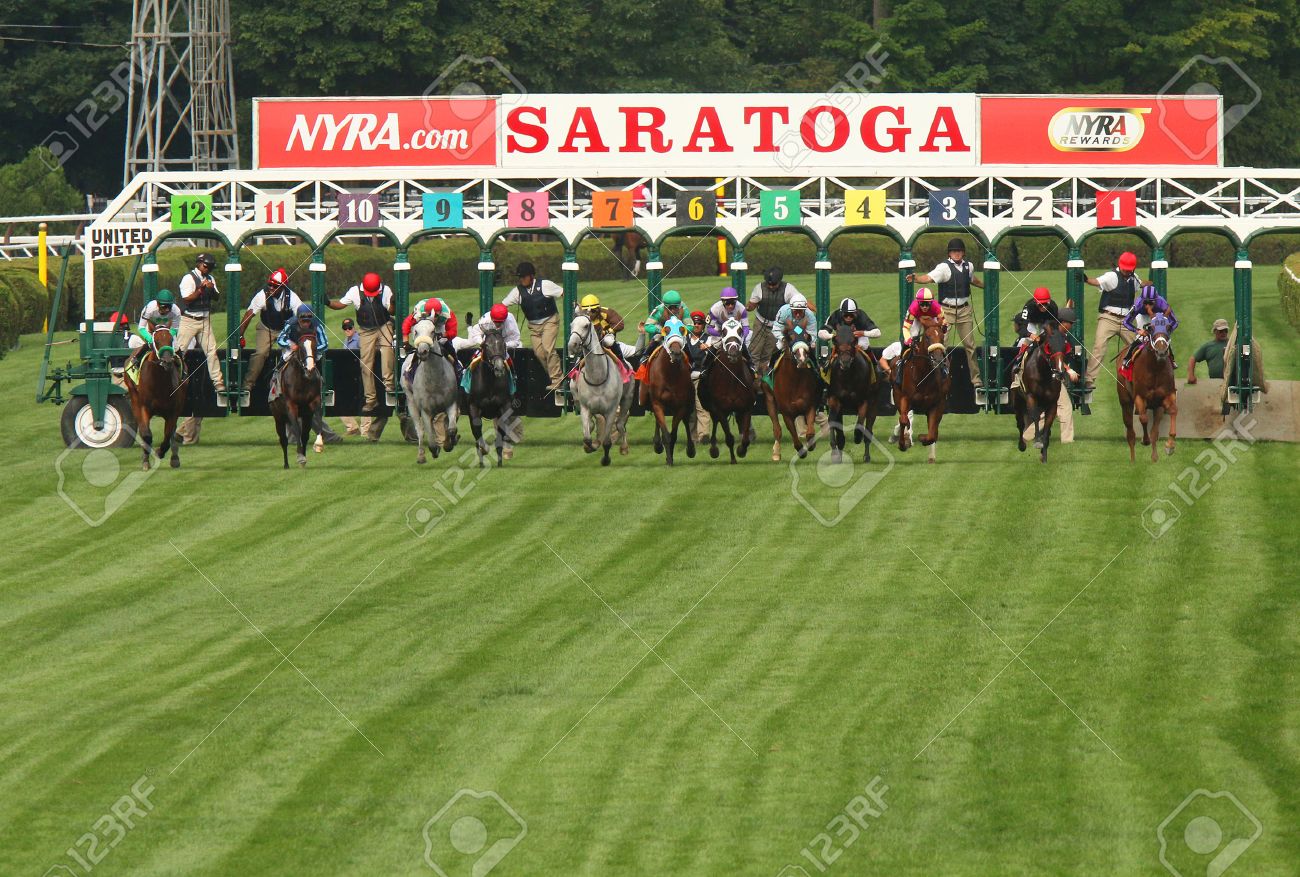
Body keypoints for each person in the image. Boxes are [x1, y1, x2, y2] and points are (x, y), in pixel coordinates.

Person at [907, 237, 984, 388]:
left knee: (970, 346)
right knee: (942, 345)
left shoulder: (969, 266)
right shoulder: (943, 268)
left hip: (964, 310)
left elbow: (972, 279)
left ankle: (976, 380)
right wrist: (916, 278)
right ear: (949, 253)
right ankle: (940, 376)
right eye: (954, 251)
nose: (957, 253)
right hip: (946, 311)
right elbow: (929, 278)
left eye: (959, 251)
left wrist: (986, 285)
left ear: (963, 253)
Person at [326, 271, 394, 438]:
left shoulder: (386, 290)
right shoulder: (355, 291)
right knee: (366, 364)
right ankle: (371, 400)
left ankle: (390, 388)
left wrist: (393, 302)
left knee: (387, 355)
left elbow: (391, 311)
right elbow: (339, 305)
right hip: (366, 330)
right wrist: (327, 302)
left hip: (384, 326)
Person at [237, 268, 301, 405]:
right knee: (260, 353)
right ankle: (247, 386)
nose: (270, 288)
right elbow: (249, 314)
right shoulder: (262, 295)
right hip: (266, 328)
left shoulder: (293, 298)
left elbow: (301, 316)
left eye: (274, 286)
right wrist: (240, 335)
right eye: (269, 285)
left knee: (294, 354)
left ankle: (295, 385)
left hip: (285, 330)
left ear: (282, 287)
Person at [501, 261, 564, 396]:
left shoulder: (545, 285)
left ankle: (557, 380)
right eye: (520, 277)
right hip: (534, 327)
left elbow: (563, 292)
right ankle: (557, 377)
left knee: (548, 348)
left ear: (531, 276)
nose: (521, 279)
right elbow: (503, 305)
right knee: (539, 353)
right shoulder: (517, 292)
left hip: (550, 321)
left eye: (524, 276)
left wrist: (576, 307)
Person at [1082, 251, 1143, 388]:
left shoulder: (1135, 278)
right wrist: (1086, 279)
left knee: (1138, 346)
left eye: (1129, 270)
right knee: (1099, 346)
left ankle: (1139, 376)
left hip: (1126, 321)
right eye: (1125, 269)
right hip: (1108, 318)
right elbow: (1096, 281)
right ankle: (1089, 379)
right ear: (1120, 266)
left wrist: (1151, 283)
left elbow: (1142, 284)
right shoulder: (1111, 276)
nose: (1127, 272)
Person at [175, 252, 228, 405]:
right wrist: (200, 289)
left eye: (210, 267)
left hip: (204, 319)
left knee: (212, 351)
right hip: (189, 319)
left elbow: (217, 297)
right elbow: (187, 299)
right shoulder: (188, 278)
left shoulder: (211, 278)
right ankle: (175, 380)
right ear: (199, 264)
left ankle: (218, 384)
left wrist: (210, 289)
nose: (208, 269)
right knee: (180, 351)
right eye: (206, 266)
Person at [880, 289, 945, 383]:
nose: (925, 307)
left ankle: (944, 369)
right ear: (918, 303)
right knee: (913, 336)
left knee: (938, 339)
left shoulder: (938, 308)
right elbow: (905, 327)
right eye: (922, 304)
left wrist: (943, 329)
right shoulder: (913, 308)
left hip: (932, 318)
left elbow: (944, 324)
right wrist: (909, 340)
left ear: (932, 303)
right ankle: (901, 366)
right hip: (917, 318)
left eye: (927, 304)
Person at [748, 267, 803, 370]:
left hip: (777, 325)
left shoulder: (789, 289)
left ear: (779, 281)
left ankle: (765, 375)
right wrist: (748, 307)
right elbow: (751, 305)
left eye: (774, 284)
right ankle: (752, 373)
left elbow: (799, 301)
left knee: (770, 351)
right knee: (754, 349)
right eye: (769, 284)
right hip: (760, 322)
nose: (771, 286)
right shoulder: (758, 288)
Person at [1009, 287, 1063, 388]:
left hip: (1046, 323)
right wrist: (1031, 335)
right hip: (1031, 322)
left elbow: (1055, 326)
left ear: (1049, 301)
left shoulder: (1053, 307)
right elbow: (1022, 329)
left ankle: (1057, 366)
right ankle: (1018, 362)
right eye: (1040, 304)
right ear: (1035, 302)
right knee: (1027, 339)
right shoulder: (1028, 306)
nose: (1043, 307)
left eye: (1045, 304)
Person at [1120, 284, 1179, 371]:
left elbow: (1174, 322)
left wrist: (1166, 332)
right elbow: (1126, 321)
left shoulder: (1162, 303)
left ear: (1156, 300)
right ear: (1142, 300)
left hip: (1159, 316)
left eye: (1151, 302)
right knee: (1141, 339)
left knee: (1162, 338)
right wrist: (1138, 331)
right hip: (1142, 316)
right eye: (1145, 302)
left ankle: (1172, 359)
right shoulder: (1138, 304)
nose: (1148, 305)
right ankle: (1127, 359)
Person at [126, 289, 182, 371]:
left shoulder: (176, 311)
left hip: (167, 331)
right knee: (150, 345)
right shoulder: (149, 308)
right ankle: (136, 360)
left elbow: (175, 328)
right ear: (158, 304)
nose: (167, 310)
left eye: (169, 307)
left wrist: (166, 338)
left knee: (176, 347)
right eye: (164, 307)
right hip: (150, 330)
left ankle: (181, 369)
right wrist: (151, 340)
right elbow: (141, 328)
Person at [818, 297, 882, 362]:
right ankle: (827, 366)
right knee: (836, 350)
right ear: (841, 313)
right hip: (841, 340)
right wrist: (832, 336)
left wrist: (863, 333)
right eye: (846, 315)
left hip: (859, 338)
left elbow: (878, 333)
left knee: (864, 345)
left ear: (856, 313)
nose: (848, 318)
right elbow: (821, 333)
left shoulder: (861, 315)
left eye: (851, 315)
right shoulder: (835, 316)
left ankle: (874, 364)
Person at [576, 294, 633, 363]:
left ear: (598, 309)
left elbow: (620, 324)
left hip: (605, 338)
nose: (590, 314)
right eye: (586, 311)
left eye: (593, 311)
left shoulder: (607, 312)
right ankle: (574, 370)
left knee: (608, 341)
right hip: (589, 341)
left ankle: (621, 361)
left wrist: (606, 332)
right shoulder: (581, 316)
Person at [769, 294, 818, 373]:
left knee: (811, 348)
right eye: (795, 312)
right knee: (779, 346)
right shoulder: (783, 311)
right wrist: (784, 338)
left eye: (800, 312)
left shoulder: (810, 316)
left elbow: (813, 335)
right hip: (786, 334)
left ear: (805, 310)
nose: (798, 315)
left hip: (803, 337)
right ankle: (770, 369)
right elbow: (776, 329)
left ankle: (816, 370)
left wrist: (806, 339)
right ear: (791, 309)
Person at [338, 318, 368, 436]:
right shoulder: (345, 341)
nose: (348, 330)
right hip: (349, 374)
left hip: (361, 373)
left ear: (354, 327)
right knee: (340, 399)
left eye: (350, 327)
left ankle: (365, 431)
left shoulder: (360, 339)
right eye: (345, 328)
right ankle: (352, 427)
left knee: (365, 401)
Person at [1188, 318, 1230, 384]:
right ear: (1215, 331)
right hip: (1215, 382)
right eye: (1221, 331)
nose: (1224, 333)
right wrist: (1191, 375)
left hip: (1232, 382)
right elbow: (1192, 359)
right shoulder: (1208, 346)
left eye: (1226, 331)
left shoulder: (1233, 344)